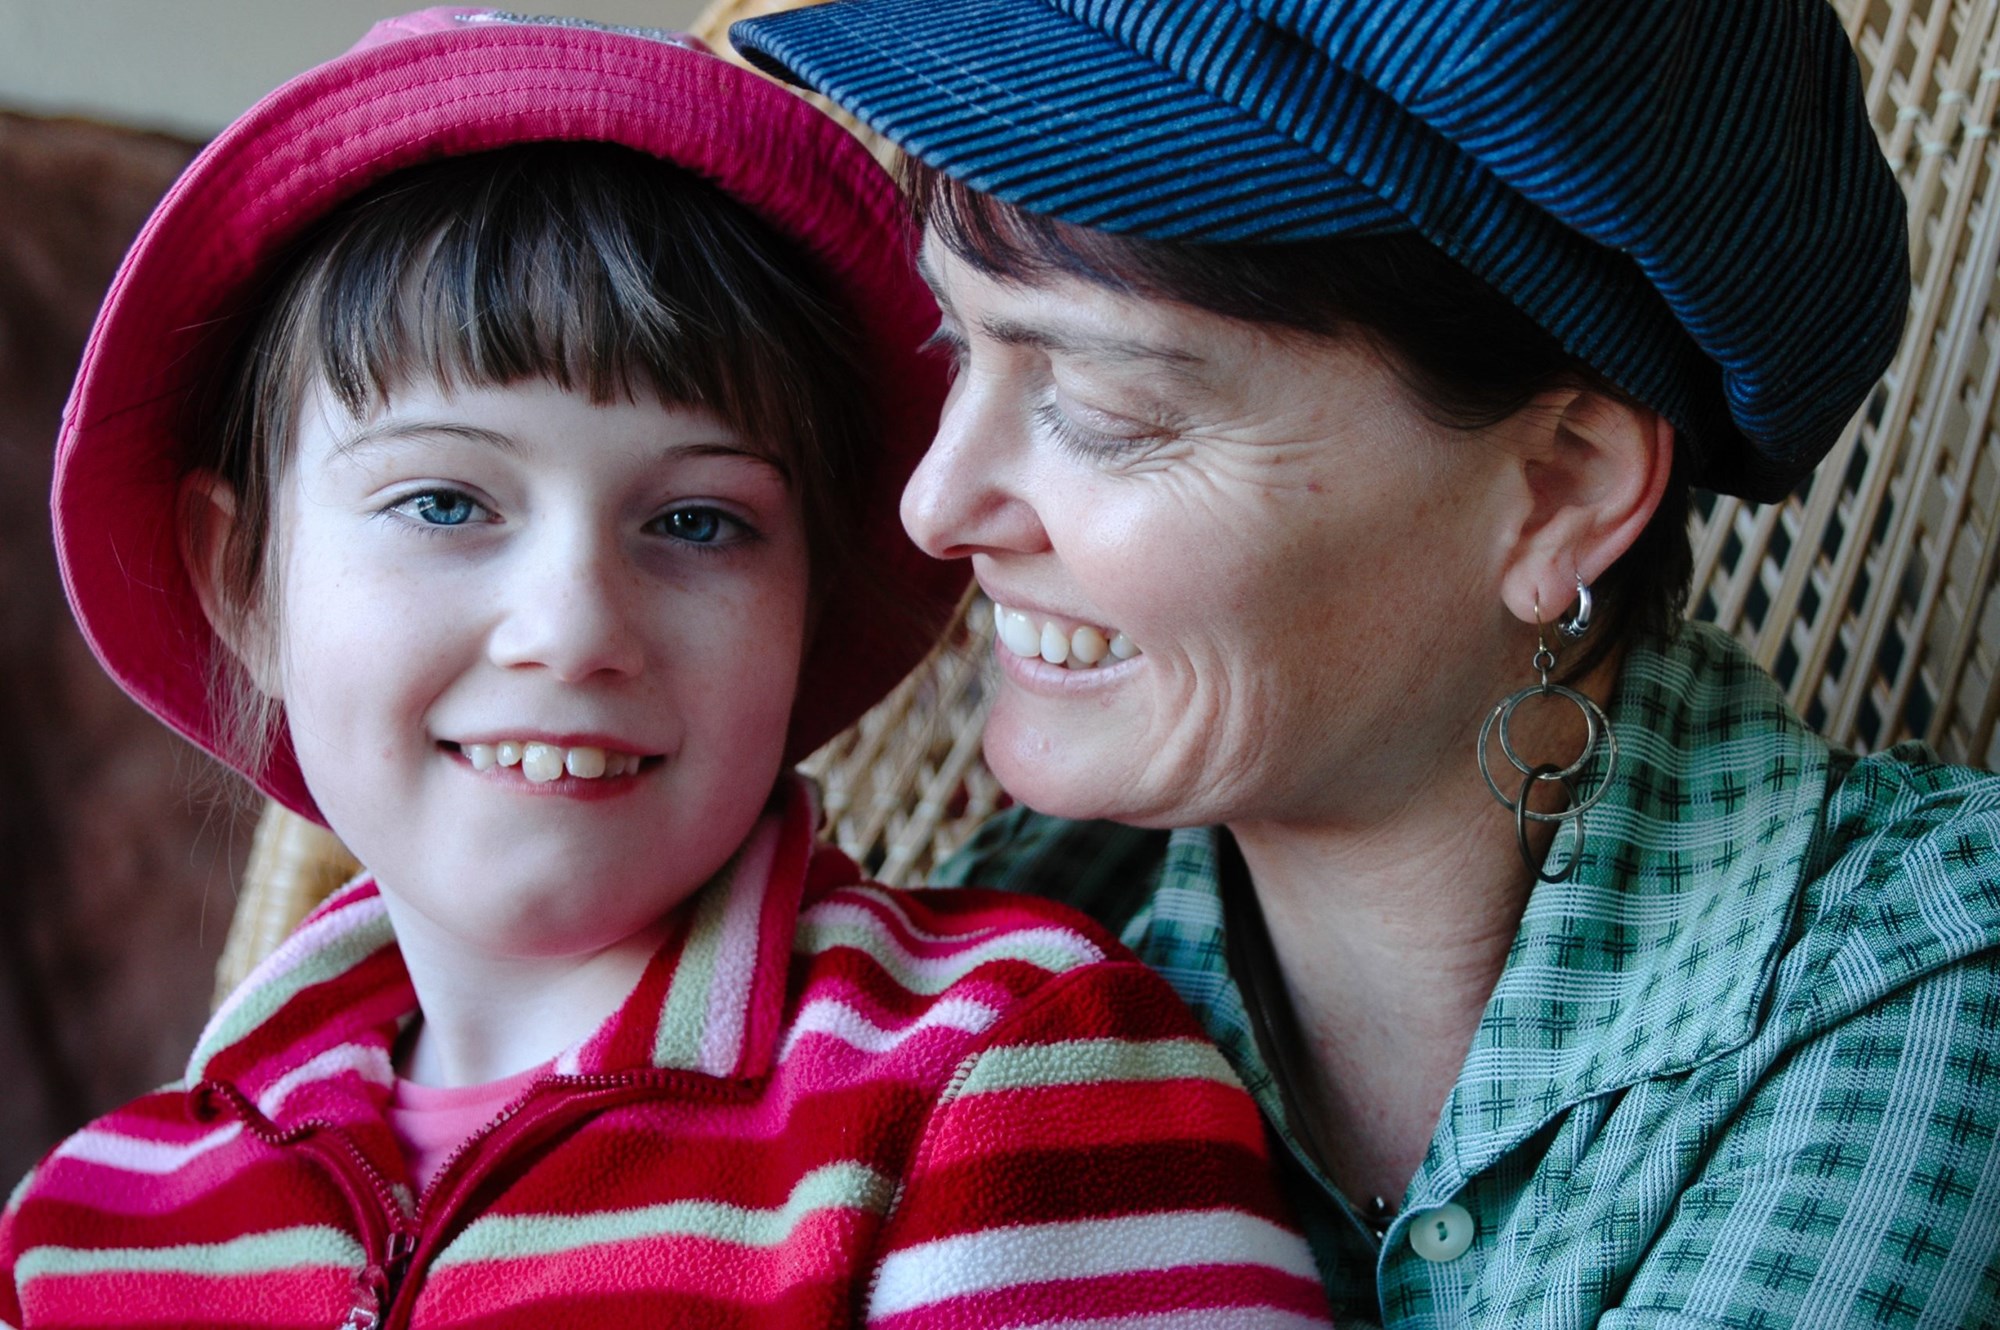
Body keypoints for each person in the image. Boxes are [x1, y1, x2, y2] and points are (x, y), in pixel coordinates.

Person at [0, 11, 1332, 1327]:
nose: (574, 627)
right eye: (448, 503)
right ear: (245, 580)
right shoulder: (88, 1226)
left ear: (808, 604)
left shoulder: (998, 1076)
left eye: (697, 521)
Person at [732, 1, 2000, 1325]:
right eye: (959, 345)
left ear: (1561, 488)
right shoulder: (1012, 945)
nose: (936, 506)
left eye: (1104, 413)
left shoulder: (1917, 979)